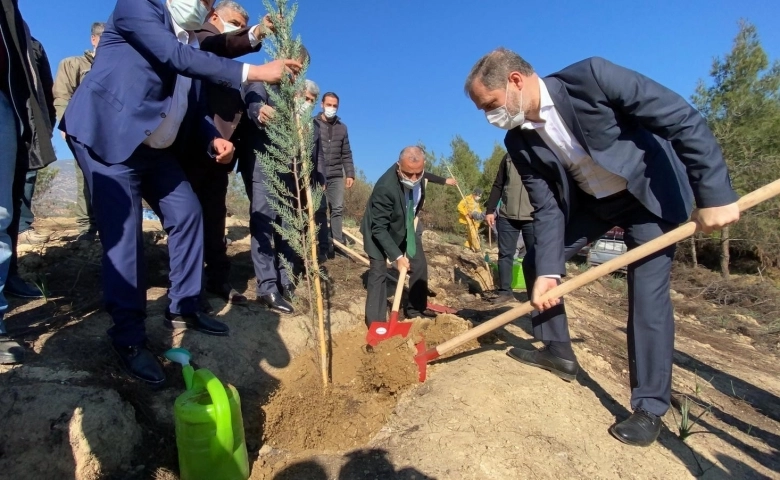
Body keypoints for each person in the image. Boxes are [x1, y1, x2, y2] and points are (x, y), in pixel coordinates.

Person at [465, 48, 739, 447]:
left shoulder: (592, 78)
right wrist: (548, 273)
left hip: (650, 198)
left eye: (490, 105)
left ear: (516, 82)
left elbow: (680, 117)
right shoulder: (518, 140)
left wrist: (713, 192)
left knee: (647, 296)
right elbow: (548, 206)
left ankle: (649, 407)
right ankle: (558, 352)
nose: (490, 117)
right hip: (595, 203)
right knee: (541, 255)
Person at [60, 0, 301, 385]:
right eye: (204, 0)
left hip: (154, 150)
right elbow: (175, 57)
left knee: (189, 214)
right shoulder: (137, 8)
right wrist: (255, 70)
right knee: (125, 238)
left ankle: (185, 305)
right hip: (109, 135)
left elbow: (191, 107)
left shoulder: (188, 41)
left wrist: (212, 139)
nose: (204, 4)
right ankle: (129, 339)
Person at [179, 0, 273, 310]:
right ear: (215, 16)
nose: (238, 29)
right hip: (193, 143)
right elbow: (222, 44)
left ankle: (217, 279)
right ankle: (186, 290)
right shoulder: (201, 36)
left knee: (215, 216)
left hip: (222, 149)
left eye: (243, 25)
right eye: (235, 22)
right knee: (188, 216)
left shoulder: (225, 52)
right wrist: (256, 33)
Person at [237, 49, 315, 315]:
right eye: (293, 67)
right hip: (263, 164)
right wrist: (261, 111)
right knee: (264, 222)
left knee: (288, 225)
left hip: (289, 168)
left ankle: (285, 280)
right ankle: (267, 287)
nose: (294, 73)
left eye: (299, 70)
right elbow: (254, 104)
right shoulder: (260, 82)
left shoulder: (294, 96)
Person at [1, 1, 57, 364]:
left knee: (6, 213)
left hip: (11, 109)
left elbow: (42, 85)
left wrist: (42, 126)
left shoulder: (18, 22)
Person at [361, 146, 441, 324]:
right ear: (399, 166)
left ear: (423, 166)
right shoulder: (385, 187)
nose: (413, 179)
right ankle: (376, 323)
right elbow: (379, 228)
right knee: (379, 271)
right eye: (407, 174)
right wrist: (396, 257)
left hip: (405, 226)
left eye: (417, 174)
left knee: (419, 265)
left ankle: (415, 309)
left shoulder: (419, 173)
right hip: (379, 229)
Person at [4, 36, 56, 301]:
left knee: (11, 201)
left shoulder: (30, 41)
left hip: (20, 124)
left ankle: (9, 275)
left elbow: (46, 88)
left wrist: (45, 126)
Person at [53, 21, 105, 241]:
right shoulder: (74, 64)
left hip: (110, 133)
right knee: (85, 177)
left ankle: (107, 224)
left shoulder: (115, 66)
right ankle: (86, 227)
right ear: (93, 39)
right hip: (81, 130)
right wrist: (65, 124)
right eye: (104, 37)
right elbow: (62, 95)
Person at [484, 153, 535, 304]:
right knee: (505, 254)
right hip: (507, 214)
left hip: (533, 216)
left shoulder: (540, 153)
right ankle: (505, 292)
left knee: (534, 256)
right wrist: (490, 210)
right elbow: (498, 184)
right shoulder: (508, 157)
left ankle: (533, 293)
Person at [313, 92, 354, 250]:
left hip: (336, 174)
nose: (331, 108)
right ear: (321, 105)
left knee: (337, 208)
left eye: (334, 105)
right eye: (328, 104)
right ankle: (323, 244)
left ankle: (338, 244)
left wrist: (349, 173)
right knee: (320, 209)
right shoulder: (312, 124)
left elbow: (346, 152)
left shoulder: (342, 128)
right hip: (318, 174)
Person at [457, 187, 484, 251]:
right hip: (468, 219)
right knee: (472, 233)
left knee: (473, 233)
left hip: (475, 220)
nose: (479, 197)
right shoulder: (467, 199)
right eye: (478, 195)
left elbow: (478, 210)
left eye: (480, 196)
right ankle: (477, 247)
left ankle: (468, 246)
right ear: (474, 194)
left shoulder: (477, 202)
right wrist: (466, 213)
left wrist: (481, 215)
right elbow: (459, 207)